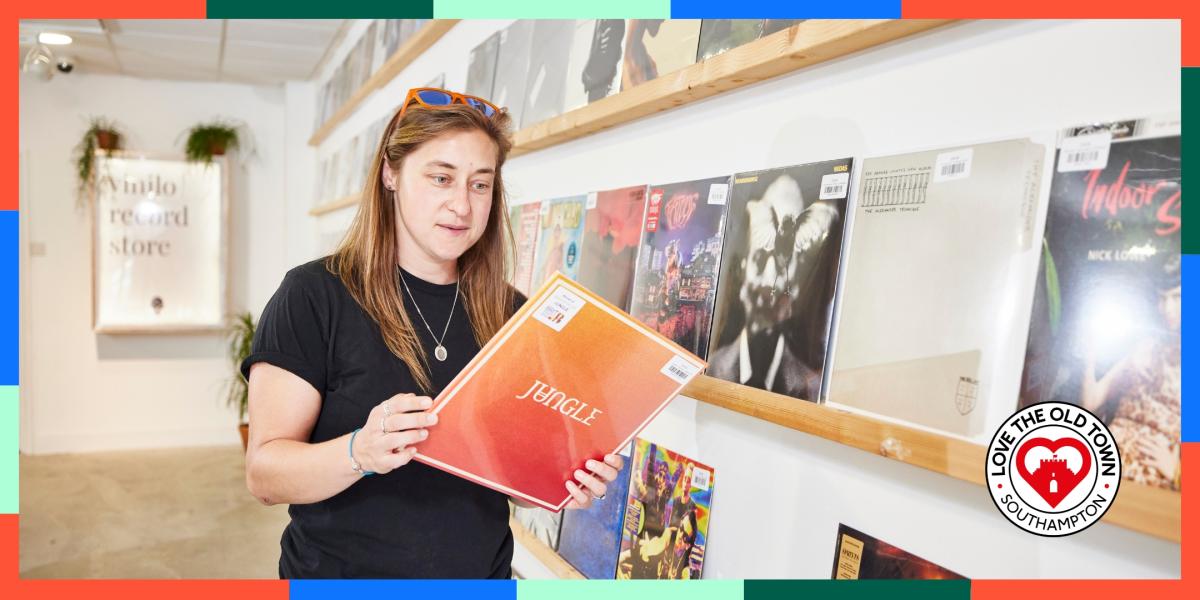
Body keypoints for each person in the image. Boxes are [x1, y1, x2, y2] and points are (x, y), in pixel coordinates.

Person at [241, 88, 625, 578]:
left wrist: (563, 481)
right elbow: (265, 476)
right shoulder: (314, 295)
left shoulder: (515, 315)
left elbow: (510, 485)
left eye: (480, 185)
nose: (461, 205)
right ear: (390, 173)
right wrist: (359, 451)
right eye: (441, 178)